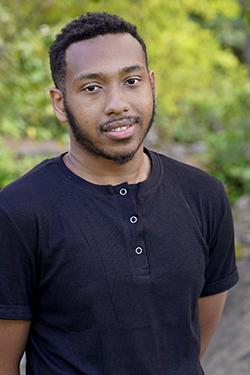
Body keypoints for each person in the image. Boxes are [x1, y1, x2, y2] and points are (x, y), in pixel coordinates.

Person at [0, 12, 239, 375]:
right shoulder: (19, 212)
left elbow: (189, 342)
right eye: (92, 87)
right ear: (60, 103)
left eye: (131, 80)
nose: (117, 103)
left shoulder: (204, 195)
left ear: (152, 85)